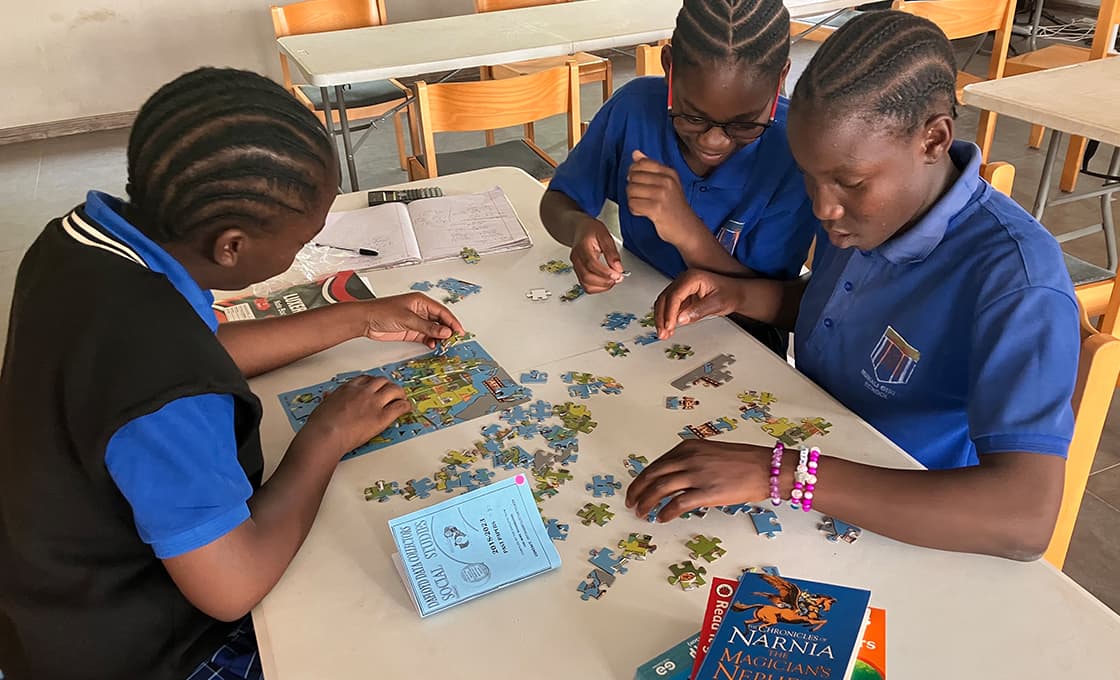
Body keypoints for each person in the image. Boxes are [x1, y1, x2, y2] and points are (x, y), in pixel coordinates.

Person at [0, 68, 463, 680]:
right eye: (303, 240)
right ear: (232, 247)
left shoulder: (78, 244)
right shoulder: (162, 388)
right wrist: (323, 439)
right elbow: (232, 586)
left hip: (39, 590)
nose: (302, 252)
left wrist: (358, 318)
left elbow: (196, 349)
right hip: (128, 649)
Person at [626, 12, 1080, 561]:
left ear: (933, 139)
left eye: (849, 181)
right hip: (814, 465)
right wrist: (741, 295)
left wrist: (785, 473)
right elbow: (835, 317)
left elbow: (1025, 522)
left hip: (917, 527)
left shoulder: (1018, 280)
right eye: (810, 177)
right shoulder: (869, 213)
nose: (823, 208)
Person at [540, 0, 817, 348]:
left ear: (780, 80)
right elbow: (558, 201)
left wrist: (687, 232)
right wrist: (579, 227)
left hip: (745, 339)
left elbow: (780, 308)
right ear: (669, 68)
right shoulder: (633, 109)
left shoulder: (797, 152)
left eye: (745, 124)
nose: (714, 140)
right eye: (693, 117)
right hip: (636, 319)